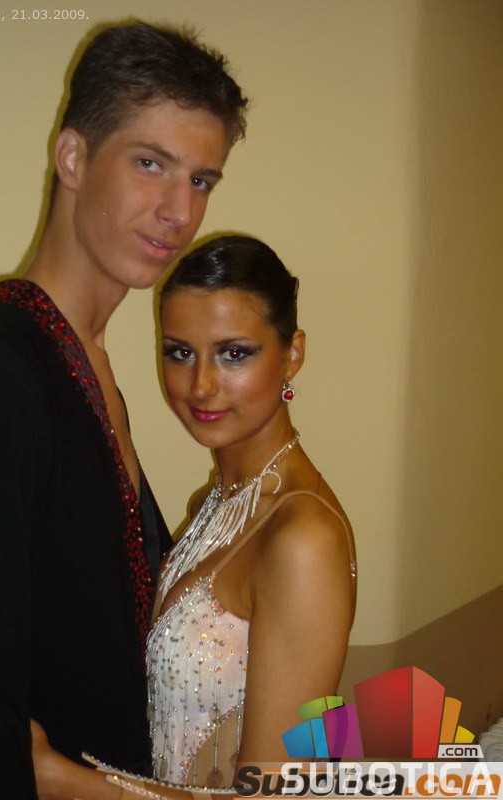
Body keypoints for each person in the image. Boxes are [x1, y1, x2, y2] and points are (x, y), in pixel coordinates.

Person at [0, 22, 247, 800]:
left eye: (201, 180)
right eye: (150, 163)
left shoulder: (86, 367)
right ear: (72, 158)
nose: (178, 211)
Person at [30, 235, 357, 797]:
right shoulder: (221, 501)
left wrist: (63, 780)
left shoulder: (303, 538)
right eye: (180, 352)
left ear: (293, 354)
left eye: (235, 353)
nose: (201, 385)